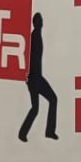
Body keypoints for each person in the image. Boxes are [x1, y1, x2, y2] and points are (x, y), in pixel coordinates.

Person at [19, 11, 58, 141]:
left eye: (41, 20)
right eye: (39, 20)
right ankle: (48, 131)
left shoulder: (36, 35)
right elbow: (29, 57)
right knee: (52, 99)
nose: (41, 22)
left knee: (36, 108)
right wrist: (27, 75)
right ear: (36, 23)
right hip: (35, 78)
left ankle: (23, 133)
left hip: (34, 77)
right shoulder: (35, 36)